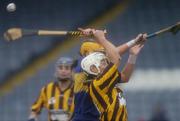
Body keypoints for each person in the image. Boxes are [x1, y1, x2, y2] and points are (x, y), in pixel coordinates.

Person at [72, 28, 146, 121]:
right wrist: (99, 38)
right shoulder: (82, 69)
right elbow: (114, 55)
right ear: (89, 54)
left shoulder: (103, 75)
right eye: (100, 53)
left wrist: (133, 44)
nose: (104, 58)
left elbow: (124, 77)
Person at [28, 57, 76, 121]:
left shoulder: (78, 90)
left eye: (67, 68)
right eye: (60, 68)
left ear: (72, 71)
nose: (63, 71)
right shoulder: (47, 89)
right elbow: (34, 111)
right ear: (56, 70)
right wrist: (32, 118)